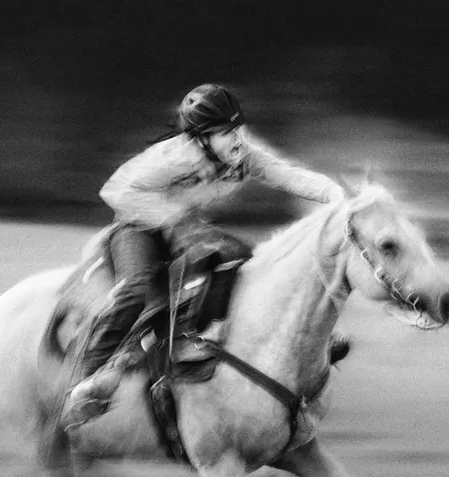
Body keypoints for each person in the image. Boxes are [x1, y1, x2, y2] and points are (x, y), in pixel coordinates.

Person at [62, 83, 349, 426]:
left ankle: (305, 344)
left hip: (186, 227)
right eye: (226, 132)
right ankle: (84, 381)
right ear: (201, 139)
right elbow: (114, 191)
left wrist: (335, 193)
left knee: (248, 264)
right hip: (138, 229)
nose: (238, 139)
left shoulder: (242, 155)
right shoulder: (173, 158)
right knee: (137, 290)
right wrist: (173, 220)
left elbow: (287, 175)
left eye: (238, 127)